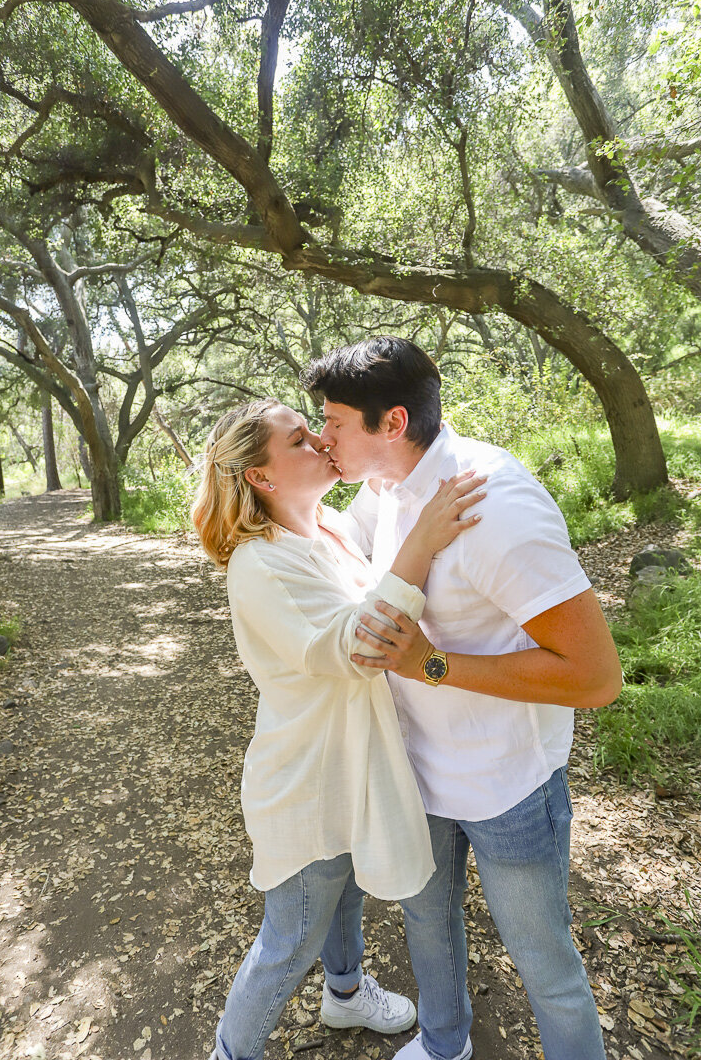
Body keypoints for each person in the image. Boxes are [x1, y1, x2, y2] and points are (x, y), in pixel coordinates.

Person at [301, 337, 623, 1060]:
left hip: (504, 782)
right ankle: (446, 1045)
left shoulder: (493, 505)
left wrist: (433, 664)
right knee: (428, 927)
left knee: (545, 964)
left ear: (392, 424)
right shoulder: (383, 488)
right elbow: (334, 563)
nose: (323, 437)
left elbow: (597, 677)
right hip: (415, 770)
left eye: (333, 421)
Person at [191, 398, 488, 1060]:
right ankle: (228, 1052)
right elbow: (357, 648)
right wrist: (423, 541)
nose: (319, 441)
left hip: (355, 766)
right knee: (290, 938)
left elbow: (387, 492)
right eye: (299, 439)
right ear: (263, 477)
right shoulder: (260, 565)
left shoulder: (322, 529)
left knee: (346, 895)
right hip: (311, 782)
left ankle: (346, 995)